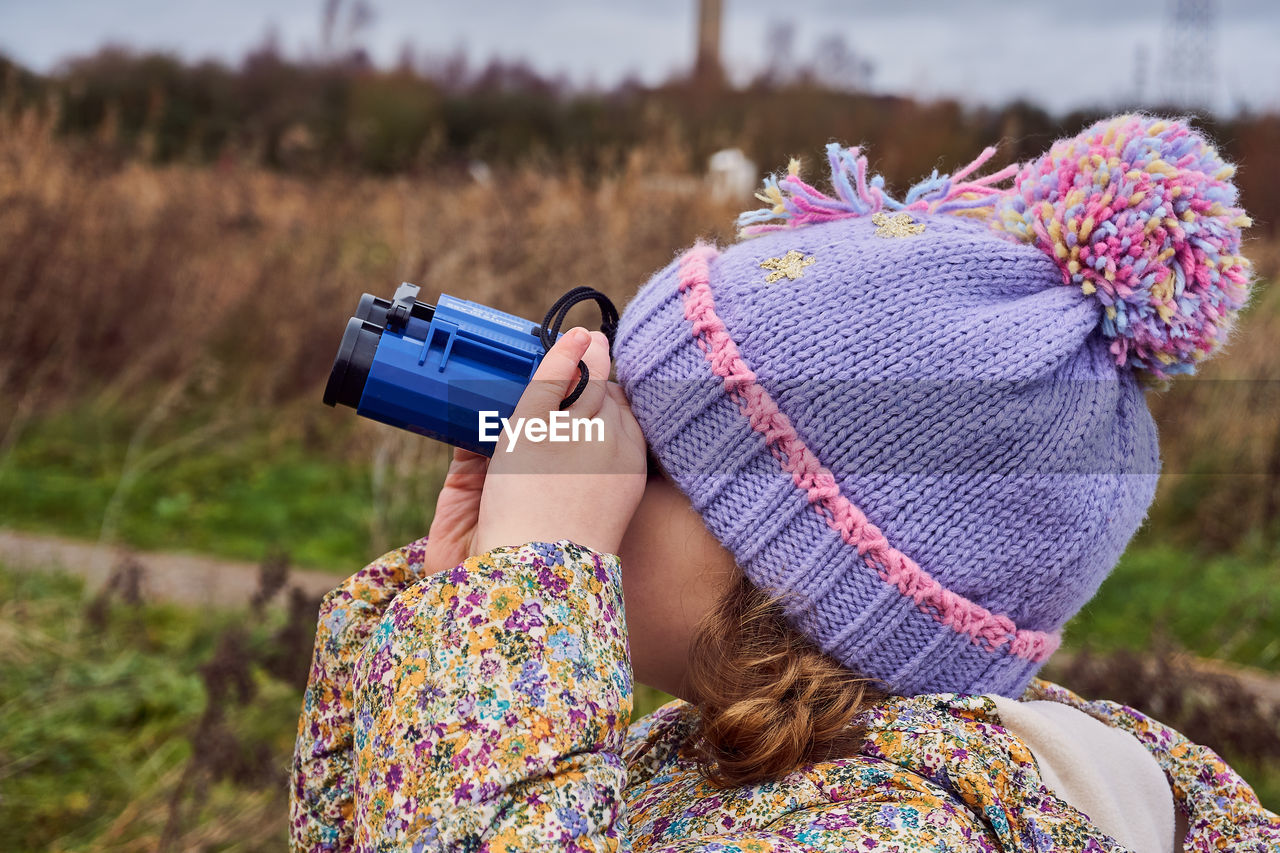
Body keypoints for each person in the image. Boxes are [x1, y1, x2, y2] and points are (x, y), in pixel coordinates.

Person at [290, 115, 1280, 852]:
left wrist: (522, 608)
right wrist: (462, 611)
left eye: (652, 455)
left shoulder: (894, 828)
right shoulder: (718, 756)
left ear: (796, 579)